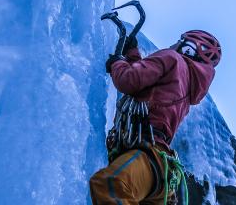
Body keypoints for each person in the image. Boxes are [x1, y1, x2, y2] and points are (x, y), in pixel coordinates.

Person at [89, 30, 221, 205]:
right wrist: (132, 55)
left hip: (147, 158)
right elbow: (147, 89)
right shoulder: (188, 89)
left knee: (109, 185)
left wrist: (117, 63)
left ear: (188, 48)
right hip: (161, 177)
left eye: (180, 41)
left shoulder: (172, 58)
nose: (175, 44)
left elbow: (129, 80)